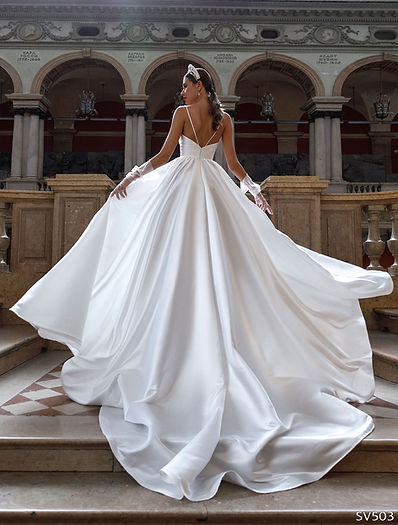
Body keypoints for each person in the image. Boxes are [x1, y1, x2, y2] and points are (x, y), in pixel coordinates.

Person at [10, 64, 393, 502]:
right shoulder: (201, 116)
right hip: (197, 191)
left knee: (222, 262)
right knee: (171, 263)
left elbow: (223, 164)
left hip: (199, 190)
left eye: (188, 85)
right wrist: (136, 177)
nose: (183, 90)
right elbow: (195, 162)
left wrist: (254, 194)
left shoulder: (209, 118)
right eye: (183, 87)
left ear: (202, 88)